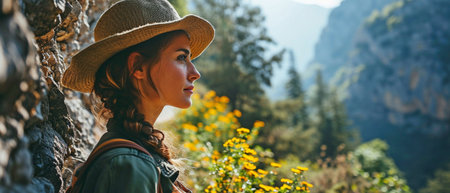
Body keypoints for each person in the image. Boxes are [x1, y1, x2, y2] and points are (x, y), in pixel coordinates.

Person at [61, 0, 214, 192]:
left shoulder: (131, 159)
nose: (195, 73)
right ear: (137, 66)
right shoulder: (128, 166)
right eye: (181, 57)